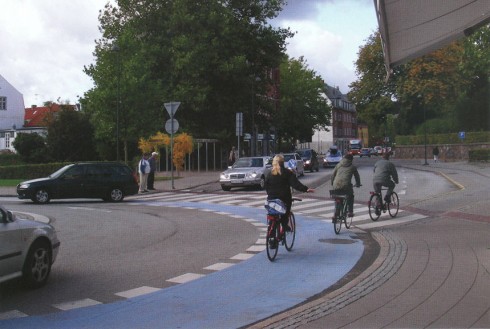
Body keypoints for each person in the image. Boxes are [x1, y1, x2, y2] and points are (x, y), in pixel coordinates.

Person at [265, 154, 314, 233]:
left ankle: (271, 232)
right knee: (285, 212)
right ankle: (284, 225)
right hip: (284, 198)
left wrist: (270, 193)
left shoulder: (269, 174)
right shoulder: (287, 173)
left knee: (273, 214)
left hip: (271, 199)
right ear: (282, 163)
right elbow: (295, 184)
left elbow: (266, 186)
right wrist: (306, 189)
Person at [331, 154, 361, 219]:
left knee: (337, 198)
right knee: (350, 196)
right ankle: (350, 212)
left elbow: (333, 175)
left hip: (336, 185)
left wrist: (332, 184)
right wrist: (358, 184)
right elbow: (357, 177)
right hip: (346, 186)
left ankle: (336, 214)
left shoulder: (338, 165)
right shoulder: (352, 167)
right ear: (351, 160)